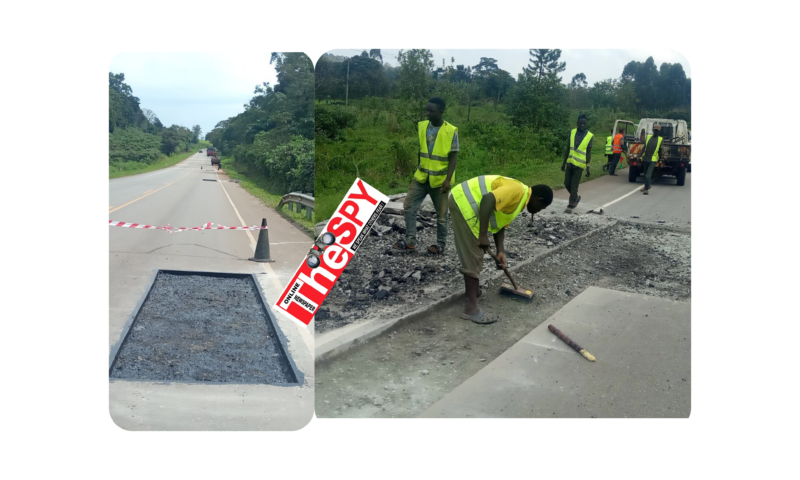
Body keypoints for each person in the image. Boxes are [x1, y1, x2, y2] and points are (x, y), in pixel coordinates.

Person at [449, 175, 553, 324]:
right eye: (541, 208)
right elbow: (487, 199)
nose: (537, 212)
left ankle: (475, 292)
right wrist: (483, 235)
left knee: (476, 252)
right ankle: (470, 308)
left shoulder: (520, 201)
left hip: (468, 205)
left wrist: (500, 251)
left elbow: (499, 223)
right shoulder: (517, 191)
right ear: (539, 200)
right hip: (464, 203)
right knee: (474, 254)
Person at [394, 97, 458, 254]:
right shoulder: (422, 126)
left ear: (441, 112)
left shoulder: (451, 131)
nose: (427, 113)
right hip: (421, 178)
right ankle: (410, 242)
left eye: (431, 111)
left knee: (441, 215)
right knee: (409, 207)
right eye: (427, 110)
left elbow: (453, 157)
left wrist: (448, 179)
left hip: (440, 181)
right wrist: (418, 166)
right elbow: (422, 150)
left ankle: (440, 244)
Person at [561, 114, 594, 213]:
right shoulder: (572, 132)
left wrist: (588, 166)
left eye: (584, 123)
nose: (583, 125)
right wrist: (564, 163)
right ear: (577, 123)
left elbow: (588, 152)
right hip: (570, 163)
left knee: (574, 185)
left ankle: (570, 205)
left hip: (579, 165)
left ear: (586, 123)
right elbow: (568, 148)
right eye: (581, 123)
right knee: (567, 183)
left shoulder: (589, 136)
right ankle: (576, 197)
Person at [641, 124, 663, 195]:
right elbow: (644, 147)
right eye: (655, 130)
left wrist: (660, 159)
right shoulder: (648, 137)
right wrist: (639, 155)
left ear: (659, 131)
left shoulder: (660, 139)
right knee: (645, 174)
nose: (656, 131)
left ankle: (646, 189)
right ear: (653, 130)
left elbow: (660, 150)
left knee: (648, 174)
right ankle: (648, 185)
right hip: (645, 158)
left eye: (657, 130)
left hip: (653, 160)